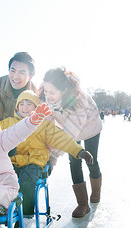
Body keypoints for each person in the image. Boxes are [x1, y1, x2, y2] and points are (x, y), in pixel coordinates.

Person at [0, 90, 93, 228]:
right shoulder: (7, 123)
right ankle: (5, 213)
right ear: (16, 107)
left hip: (34, 162)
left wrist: (79, 151)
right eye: (21, 104)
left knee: (26, 183)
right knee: (0, 180)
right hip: (13, 162)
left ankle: (27, 219)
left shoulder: (43, 125)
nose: (25, 107)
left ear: (36, 108)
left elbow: (62, 139)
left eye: (29, 104)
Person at [39, 67, 102, 218]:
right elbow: (47, 125)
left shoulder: (79, 99)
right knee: (73, 161)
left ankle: (96, 192)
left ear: (64, 90)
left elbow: (70, 133)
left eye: (52, 93)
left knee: (90, 159)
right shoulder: (45, 94)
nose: (48, 96)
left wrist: (54, 155)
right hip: (69, 126)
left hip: (90, 126)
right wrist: (46, 152)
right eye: (46, 91)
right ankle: (83, 204)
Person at [0, 52, 38, 122]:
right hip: (1, 129)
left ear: (30, 76)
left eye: (21, 73)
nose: (16, 77)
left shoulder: (35, 94)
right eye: (13, 71)